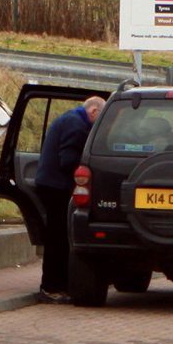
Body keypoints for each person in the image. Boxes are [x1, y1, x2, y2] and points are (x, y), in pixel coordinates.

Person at [30, 96, 104, 302]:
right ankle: (51, 287)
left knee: (58, 237)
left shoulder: (69, 118)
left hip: (49, 184)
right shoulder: (76, 125)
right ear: (94, 111)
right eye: (99, 119)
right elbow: (68, 160)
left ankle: (59, 285)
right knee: (58, 239)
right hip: (56, 187)